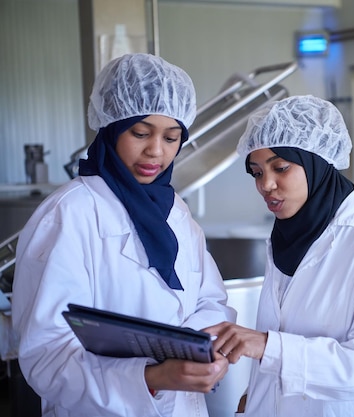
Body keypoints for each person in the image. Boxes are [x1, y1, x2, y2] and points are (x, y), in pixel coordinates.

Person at [11, 53, 236, 417]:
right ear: (111, 129)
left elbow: (210, 302)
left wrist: (203, 351)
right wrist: (150, 377)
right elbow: (47, 356)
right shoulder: (68, 214)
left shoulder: (176, 212)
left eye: (172, 136)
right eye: (141, 133)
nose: (156, 151)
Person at [206, 95, 354, 416]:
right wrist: (255, 392)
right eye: (257, 172)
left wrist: (268, 346)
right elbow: (282, 327)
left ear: (317, 162)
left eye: (281, 167)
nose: (266, 185)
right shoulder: (286, 235)